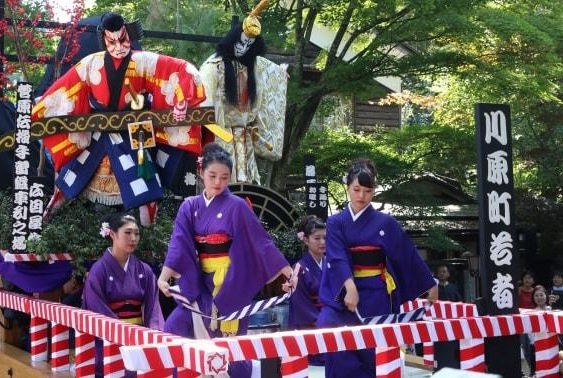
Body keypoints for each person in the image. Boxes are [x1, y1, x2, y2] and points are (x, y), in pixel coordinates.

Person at [32, 12, 205, 224]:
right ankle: (46, 222)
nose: (118, 46)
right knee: (67, 182)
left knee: (146, 192)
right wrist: (40, 109)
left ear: (128, 36)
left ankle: (148, 237)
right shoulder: (91, 63)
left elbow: (179, 68)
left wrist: (182, 99)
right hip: (97, 130)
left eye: (122, 39)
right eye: (111, 41)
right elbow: (65, 89)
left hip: (132, 136)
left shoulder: (142, 61)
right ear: (103, 40)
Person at [157, 142, 296, 378]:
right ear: (201, 173)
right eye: (212, 175)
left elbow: (261, 243)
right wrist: (163, 277)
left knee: (232, 348)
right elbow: (179, 242)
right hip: (199, 282)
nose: (218, 182)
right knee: (174, 328)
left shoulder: (237, 206)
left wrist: (288, 272)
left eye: (224, 177)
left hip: (231, 283)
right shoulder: (190, 206)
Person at [317, 158, 438, 378]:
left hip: (376, 293)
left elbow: (406, 254)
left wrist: (429, 283)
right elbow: (337, 255)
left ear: (374, 191)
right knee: (334, 339)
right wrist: (350, 286)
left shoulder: (386, 222)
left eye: (367, 191)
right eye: (356, 189)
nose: (361, 196)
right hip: (342, 292)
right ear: (348, 187)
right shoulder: (336, 222)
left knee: (374, 353)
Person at [199, 7, 288, 184]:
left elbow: (274, 74)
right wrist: (222, 137)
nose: (243, 48)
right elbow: (204, 107)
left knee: (248, 186)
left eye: (248, 45)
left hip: (245, 137)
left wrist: (281, 76)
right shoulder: (213, 67)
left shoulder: (254, 65)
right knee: (222, 182)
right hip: (221, 136)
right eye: (240, 43)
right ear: (232, 40)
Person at [82, 213, 164, 376]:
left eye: (136, 233)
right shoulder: (99, 271)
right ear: (112, 234)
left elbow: (153, 308)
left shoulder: (144, 270)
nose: (133, 238)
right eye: (127, 233)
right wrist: (122, 333)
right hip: (109, 339)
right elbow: (96, 308)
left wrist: (152, 335)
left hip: (139, 338)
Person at [288, 215, 326, 366]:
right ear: (305, 240)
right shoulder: (298, 269)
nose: (322, 242)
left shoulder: (333, 264)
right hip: (312, 328)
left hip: (335, 323)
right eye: (317, 238)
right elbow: (301, 307)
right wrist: (325, 321)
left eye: (325, 237)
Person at [434, 264, 462, 370]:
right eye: (440, 272)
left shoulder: (453, 287)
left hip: (452, 323)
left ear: (448, 274)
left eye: (444, 271)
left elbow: (459, 302)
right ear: (436, 274)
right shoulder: (434, 288)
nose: (442, 273)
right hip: (438, 323)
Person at [526, 285, 551, 377]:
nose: (539, 298)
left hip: (551, 344)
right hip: (536, 346)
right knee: (536, 371)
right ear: (533, 298)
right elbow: (530, 333)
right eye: (536, 295)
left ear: (546, 296)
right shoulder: (532, 313)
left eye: (541, 295)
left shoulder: (552, 310)